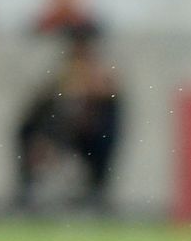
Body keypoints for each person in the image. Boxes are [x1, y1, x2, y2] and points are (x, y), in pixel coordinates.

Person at [15, 22, 119, 213]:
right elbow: (44, 106)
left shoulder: (102, 75)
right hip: (58, 133)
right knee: (28, 132)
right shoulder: (61, 73)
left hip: (90, 136)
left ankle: (96, 192)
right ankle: (27, 191)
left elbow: (107, 101)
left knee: (105, 136)